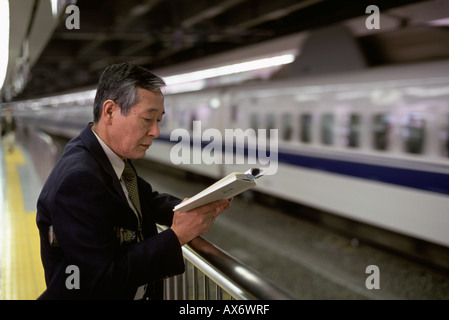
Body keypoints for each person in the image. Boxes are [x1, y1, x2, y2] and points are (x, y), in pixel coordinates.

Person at [36, 62, 232, 300]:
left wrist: (192, 207)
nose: (156, 132)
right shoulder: (79, 180)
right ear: (110, 112)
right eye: (147, 119)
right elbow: (101, 279)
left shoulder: (104, 156)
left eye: (159, 120)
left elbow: (143, 200)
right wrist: (176, 236)